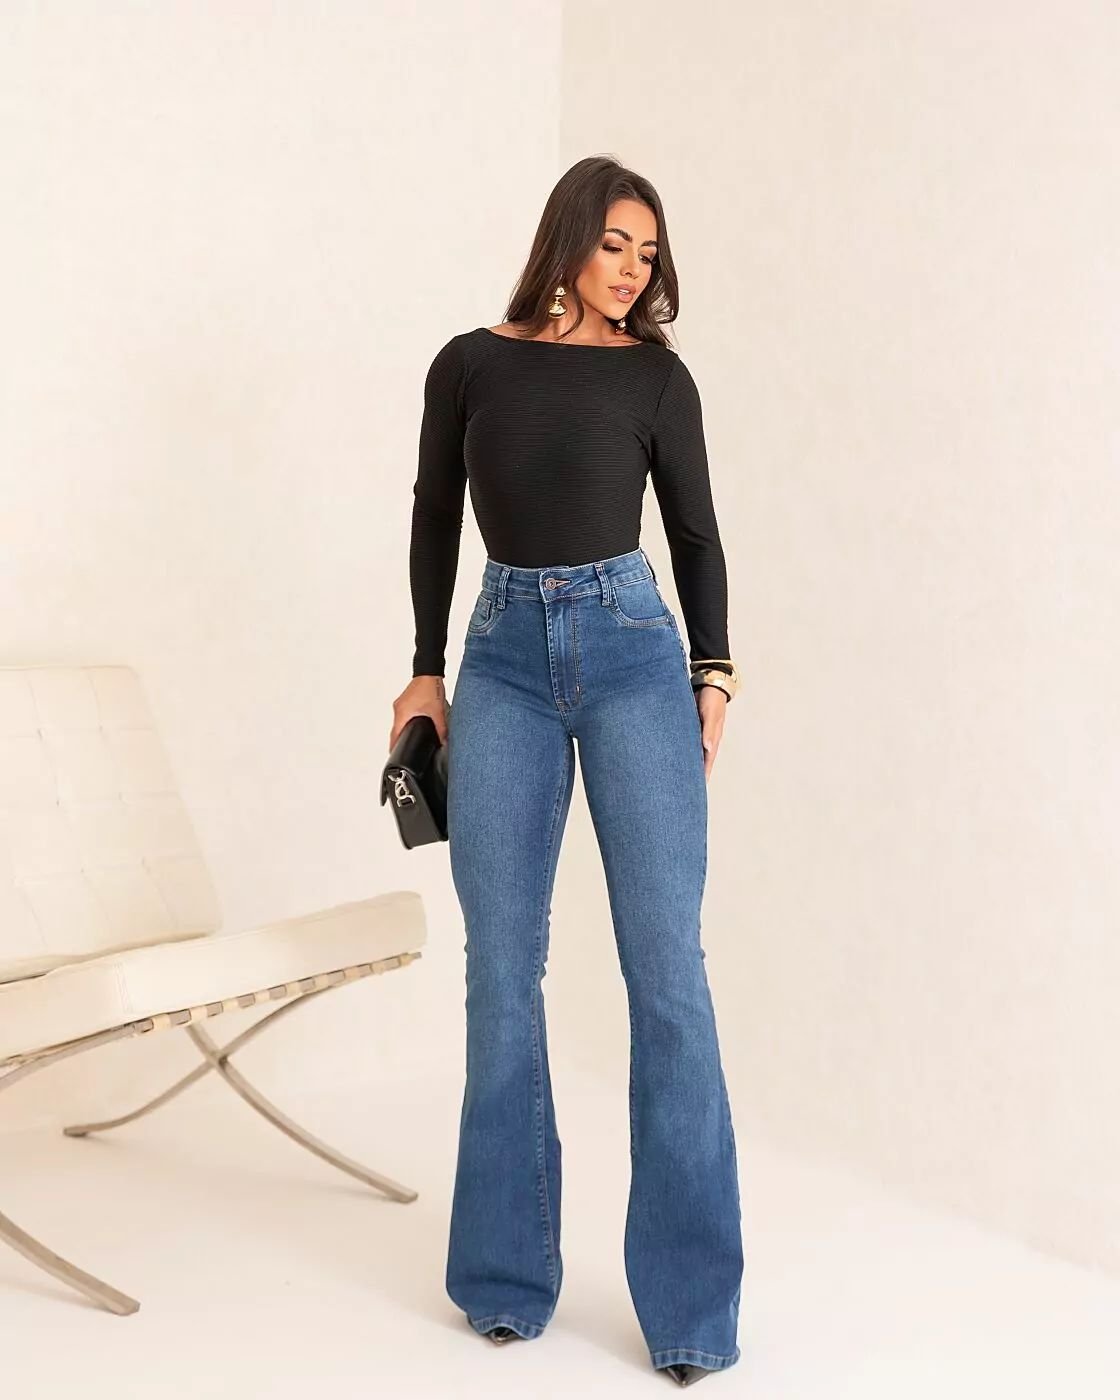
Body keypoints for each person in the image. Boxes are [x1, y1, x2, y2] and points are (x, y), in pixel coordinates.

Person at [389, 155, 743, 1388]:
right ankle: (503, 1276)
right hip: (499, 659)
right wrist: (424, 671)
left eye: (649, 251)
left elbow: (693, 530)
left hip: (634, 651)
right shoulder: (468, 364)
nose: (634, 268)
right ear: (569, 237)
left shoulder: (657, 377)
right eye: (615, 244)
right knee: (500, 968)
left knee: (666, 972)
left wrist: (712, 672)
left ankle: (692, 1308)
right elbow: (435, 513)